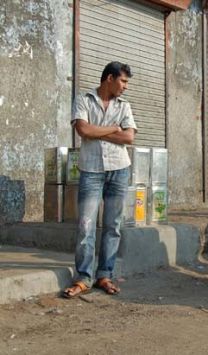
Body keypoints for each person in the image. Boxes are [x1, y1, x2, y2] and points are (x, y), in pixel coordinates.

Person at [63, 61, 137, 298]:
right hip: (92, 170)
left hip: (119, 169)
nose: (125, 87)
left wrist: (102, 130)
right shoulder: (83, 100)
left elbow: (129, 137)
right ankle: (84, 277)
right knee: (86, 224)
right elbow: (83, 131)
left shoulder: (124, 106)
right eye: (123, 81)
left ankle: (104, 274)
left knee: (113, 225)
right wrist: (113, 128)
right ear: (109, 78)